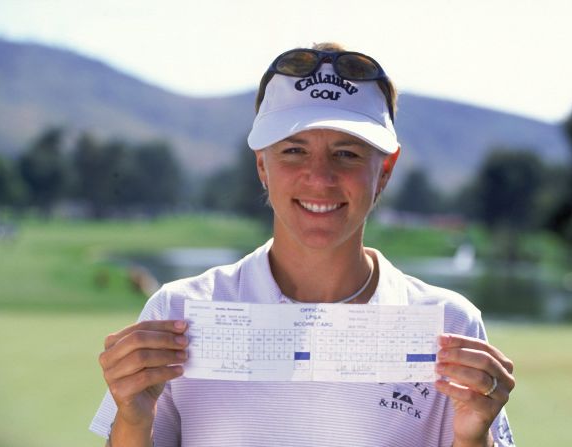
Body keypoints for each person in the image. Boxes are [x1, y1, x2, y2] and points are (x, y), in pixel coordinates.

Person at [91, 42, 516, 447]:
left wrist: (474, 437)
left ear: (385, 170)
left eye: (347, 154)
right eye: (294, 150)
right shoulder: (180, 312)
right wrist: (132, 417)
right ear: (262, 166)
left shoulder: (449, 325)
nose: (320, 177)